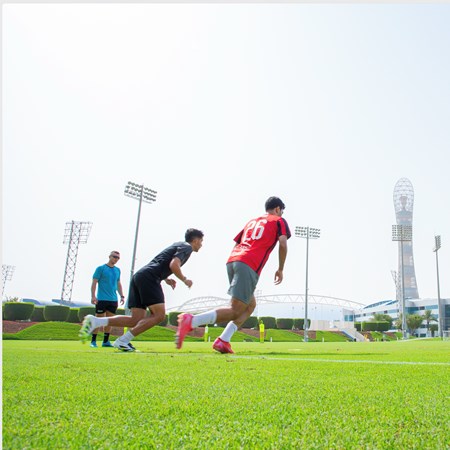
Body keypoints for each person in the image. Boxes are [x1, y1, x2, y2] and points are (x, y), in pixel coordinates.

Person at [176, 196, 290, 353]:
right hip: (248, 264)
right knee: (235, 310)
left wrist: (237, 261)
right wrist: (280, 268)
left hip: (233, 260)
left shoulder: (252, 222)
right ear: (277, 209)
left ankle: (224, 340)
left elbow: (237, 242)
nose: (281, 214)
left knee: (250, 305)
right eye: (281, 211)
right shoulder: (279, 221)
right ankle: (192, 321)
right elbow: (283, 244)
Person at [79, 228, 204, 351]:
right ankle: (123, 340)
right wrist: (184, 279)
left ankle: (96, 321)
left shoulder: (177, 244)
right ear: (196, 240)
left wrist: (166, 278)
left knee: (135, 319)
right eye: (201, 241)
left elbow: (160, 261)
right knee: (159, 315)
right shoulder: (187, 247)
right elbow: (173, 264)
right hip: (150, 278)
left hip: (140, 276)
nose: (201, 244)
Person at [90, 250, 125, 348]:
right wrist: (93, 296)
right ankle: (93, 341)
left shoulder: (117, 270)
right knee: (98, 320)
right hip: (102, 299)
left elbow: (118, 283)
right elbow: (94, 283)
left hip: (113, 300)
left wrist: (122, 295)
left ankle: (105, 341)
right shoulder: (100, 268)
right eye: (114, 257)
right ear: (109, 256)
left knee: (110, 321)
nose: (116, 259)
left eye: (118, 258)